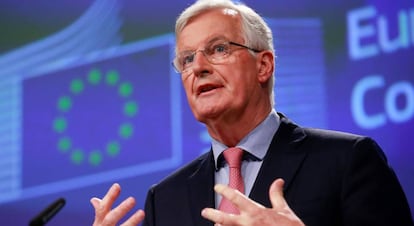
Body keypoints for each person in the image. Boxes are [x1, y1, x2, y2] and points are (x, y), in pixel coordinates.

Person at [90, 0, 414, 225]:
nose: (198, 67)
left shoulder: (348, 161)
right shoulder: (165, 199)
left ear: (264, 65)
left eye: (218, 49)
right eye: (186, 59)